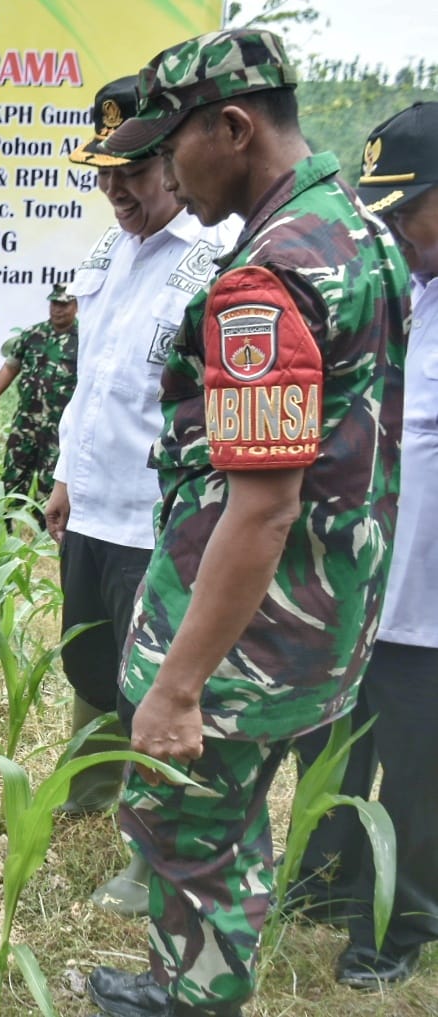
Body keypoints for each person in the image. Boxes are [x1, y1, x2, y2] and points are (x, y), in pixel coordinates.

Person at [81, 29, 408, 1017]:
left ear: (229, 128)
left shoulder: (261, 282)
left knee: (186, 822)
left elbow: (260, 506)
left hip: (248, 628)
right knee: (223, 819)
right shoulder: (357, 225)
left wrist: (177, 687)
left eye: (169, 144)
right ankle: (194, 977)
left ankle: (194, 999)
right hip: (324, 604)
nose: (166, 172)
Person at [46, 75, 238, 914]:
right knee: (87, 656)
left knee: (150, 685)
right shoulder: (107, 253)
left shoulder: (216, 259)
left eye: (134, 169)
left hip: (160, 515)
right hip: (91, 503)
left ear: (174, 162)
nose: (117, 188)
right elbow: (94, 384)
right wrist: (63, 476)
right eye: (103, 171)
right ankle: (90, 782)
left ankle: (147, 844)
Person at [291, 101, 438, 990]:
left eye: (407, 205)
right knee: (335, 744)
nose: (390, 227)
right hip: (365, 581)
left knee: (422, 776)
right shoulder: (400, 290)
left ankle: (400, 919)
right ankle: (330, 878)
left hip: (431, 604)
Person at [0, 283, 78, 525]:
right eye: (55, 303)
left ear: (75, 306)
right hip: (27, 421)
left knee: (51, 480)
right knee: (13, 474)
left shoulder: (85, 339)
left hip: (60, 426)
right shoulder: (33, 335)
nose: (58, 309)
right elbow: (12, 366)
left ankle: (44, 532)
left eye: (64, 304)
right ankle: (5, 526)